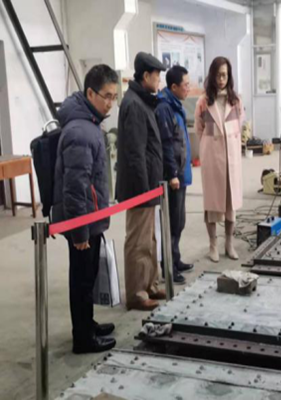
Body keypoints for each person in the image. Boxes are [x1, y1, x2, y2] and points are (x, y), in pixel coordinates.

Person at [52, 64, 118, 354]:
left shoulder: (89, 123)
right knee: (81, 280)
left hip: (90, 218)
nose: (110, 103)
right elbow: (75, 187)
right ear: (90, 93)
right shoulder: (81, 131)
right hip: (83, 222)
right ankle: (83, 338)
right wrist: (80, 232)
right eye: (106, 96)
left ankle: (87, 324)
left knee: (86, 277)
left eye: (114, 96)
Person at [116, 52, 167, 311]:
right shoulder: (135, 105)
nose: (159, 81)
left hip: (149, 184)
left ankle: (150, 284)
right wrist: (145, 190)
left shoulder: (142, 101)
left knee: (150, 238)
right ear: (145, 76)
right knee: (138, 241)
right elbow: (135, 153)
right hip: (140, 187)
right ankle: (137, 293)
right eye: (157, 76)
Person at [194, 57, 244, 263]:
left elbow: (239, 126)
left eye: (224, 75)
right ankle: (213, 245)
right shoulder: (203, 101)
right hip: (212, 158)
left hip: (231, 158)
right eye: (218, 75)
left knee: (231, 204)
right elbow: (199, 129)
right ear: (212, 76)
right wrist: (209, 147)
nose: (221, 79)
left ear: (229, 76)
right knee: (212, 205)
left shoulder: (236, 101)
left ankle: (229, 244)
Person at [155, 66, 194, 284]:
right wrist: (172, 174)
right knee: (170, 224)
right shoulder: (164, 108)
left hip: (181, 173)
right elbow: (167, 145)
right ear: (173, 87)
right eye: (185, 85)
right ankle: (168, 268)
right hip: (174, 177)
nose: (188, 88)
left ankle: (176, 259)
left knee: (179, 222)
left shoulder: (176, 105)